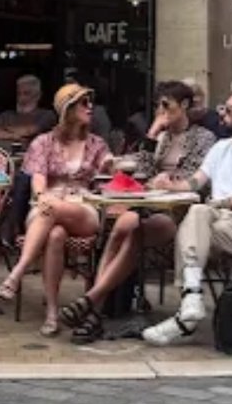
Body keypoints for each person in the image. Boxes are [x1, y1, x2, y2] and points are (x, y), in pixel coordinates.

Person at [59, 81, 216, 343]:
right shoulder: (162, 136)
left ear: (185, 105)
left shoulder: (203, 138)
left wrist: (169, 182)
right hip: (149, 205)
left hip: (181, 214)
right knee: (122, 226)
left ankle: (92, 306)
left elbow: (195, 181)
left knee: (135, 232)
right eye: (158, 105)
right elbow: (141, 171)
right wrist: (153, 131)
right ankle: (94, 309)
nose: (162, 111)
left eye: (167, 105)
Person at [142, 88, 232, 346]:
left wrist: (217, 204)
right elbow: (196, 182)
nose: (221, 114)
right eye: (222, 107)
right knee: (196, 216)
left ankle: (188, 312)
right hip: (217, 222)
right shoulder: (221, 148)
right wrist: (166, 184)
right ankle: (191, 303)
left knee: (194, 218)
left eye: (229, 110)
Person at [0, 83, 113, 337]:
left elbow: (108, 178)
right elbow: (38, 179)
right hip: (48, 204)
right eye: (83, 103)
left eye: (90, 102)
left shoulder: (97, 144)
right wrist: (41, 195)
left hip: (83, 206)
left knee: (50, 210)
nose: (90, 107)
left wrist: (110, 168)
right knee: (56, 235)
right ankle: (51, 312)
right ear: (67, 110)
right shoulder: (43, 142)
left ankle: (18, 271)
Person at [0, 75, 56, 148]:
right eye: (19, 94)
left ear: (38, 95)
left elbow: (28, 131)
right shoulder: (6, 115)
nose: (21, 98)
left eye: (26, 93)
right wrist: (12, 136)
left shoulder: (47, 114)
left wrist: (3, 129)